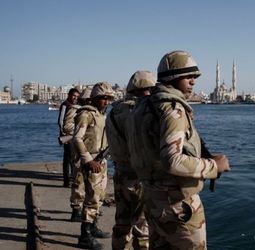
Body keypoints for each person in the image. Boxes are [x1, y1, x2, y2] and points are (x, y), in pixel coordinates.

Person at [130, 50, 231, 249]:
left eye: (195, 76)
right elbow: (172, 160)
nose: (193, 81)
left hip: (153, 200)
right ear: (173, 77)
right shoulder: (173, 109)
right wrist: (213, 166)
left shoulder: (143, 107)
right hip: (178, 205)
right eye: (188, 76)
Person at [106, 71, 155, 250]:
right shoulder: (139, 112)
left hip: (120, 174)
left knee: (121, 223)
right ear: (145, 90)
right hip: (138, 177)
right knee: (142, 228)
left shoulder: (113, 112)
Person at [72, 82, 114, 249]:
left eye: (109, 98)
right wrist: (88, 160)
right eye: (104, 98)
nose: (107, 101)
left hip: (101, 160)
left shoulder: (100, 114)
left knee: (100, 197)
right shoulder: (86, 114)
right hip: (92, 162)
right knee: (91, 199)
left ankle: (94, 227)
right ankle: (85, 235)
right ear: (95, 98)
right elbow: (77, 139)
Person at [69, 86, 92, 222]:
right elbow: (67, 126)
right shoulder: (77, 111)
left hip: (86, 150)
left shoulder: (91, 113)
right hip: (79, 151)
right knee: (78, 181)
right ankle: (76, 210)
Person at [58, 88, 80, 187]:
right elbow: (61, 121)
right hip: (67, 135)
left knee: (73, 157)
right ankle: (66, 181)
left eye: (77, 96)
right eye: (73, 95)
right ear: (69, 95)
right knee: (67, 158)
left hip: (74, 134)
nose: (75, 98)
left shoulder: (76, 106)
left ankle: (72, 178)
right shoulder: (65, 105)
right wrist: (64, 134)